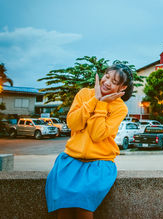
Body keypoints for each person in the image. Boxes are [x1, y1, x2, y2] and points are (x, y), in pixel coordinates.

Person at [45, 64, 134, 219]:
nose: (107, 82)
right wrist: (94, 99)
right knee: (63, 209)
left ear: (122, 87)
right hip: (70, 160)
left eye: (114, 81)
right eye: (107, 76)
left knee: (83, 207)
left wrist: (102, 104)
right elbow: (73, 124)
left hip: (99, 163)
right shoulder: (84, 94)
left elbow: (97, 135)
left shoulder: (120, 108)